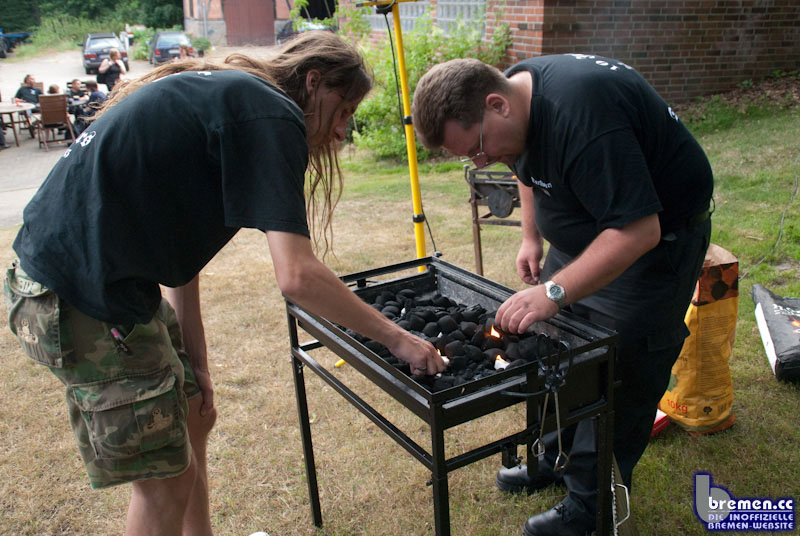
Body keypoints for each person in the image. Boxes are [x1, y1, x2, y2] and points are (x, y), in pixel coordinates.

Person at [5, 31, 445, 536]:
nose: (343, 131)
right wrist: (399, 339)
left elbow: (179, 254)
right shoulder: (273, 116)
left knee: (195, 415)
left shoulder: (235, 100)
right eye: (343, 111)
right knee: (164, 483)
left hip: (77, 283)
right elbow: (297, 276)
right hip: (79, 300)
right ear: (314, 82)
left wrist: (198, 362)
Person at [412, 55, 713, 536]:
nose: (482, 162)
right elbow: (524, 165)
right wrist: (532, 235)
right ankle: (555, 457)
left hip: (653, 248)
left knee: (620, 371)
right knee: (556, 353)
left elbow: (638, 230)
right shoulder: (516, 94)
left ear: (497, 105)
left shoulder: (586, 116)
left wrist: (553, 290)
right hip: (587, 237)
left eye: (478, 150)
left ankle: (591, 508)